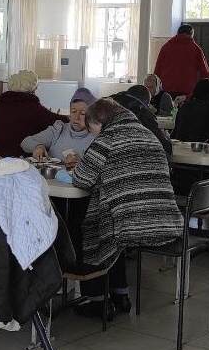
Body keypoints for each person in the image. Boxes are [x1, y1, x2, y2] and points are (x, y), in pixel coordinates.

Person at [71, 98, 182, 319]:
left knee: (91, 225)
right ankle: (120, 294)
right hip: (165, 220)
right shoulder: (147, 134)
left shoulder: (107, 139)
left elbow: (82, 179)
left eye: (91, 128)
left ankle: (98, 301)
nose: (92, 134)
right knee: (110, 220)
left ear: (99, 121)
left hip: (132, 223)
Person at [0, 69, 64, 158]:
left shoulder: (1, 105)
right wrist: (72, 116)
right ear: (32, 89)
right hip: (22, 160)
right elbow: (56, 120)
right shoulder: (31, 106)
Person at [21, 88, 95, 167]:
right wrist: (37, 146)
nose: (77, 117)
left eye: (83, 113)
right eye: (73, 111)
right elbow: (25, 142)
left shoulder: (96, 138)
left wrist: (79, 165)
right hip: (48, 174)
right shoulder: (59, 129)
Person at [109, 85, 172, 156]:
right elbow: (166, 147)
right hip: (128, 156)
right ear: (146, 102)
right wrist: (166, 137)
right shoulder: (142, 112)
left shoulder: (109, 103)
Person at [153, 24, 209, 97]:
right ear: (191, 34)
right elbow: (205, 73)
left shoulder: (166, 47)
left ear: (177, 33)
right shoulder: (195, 49)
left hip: (167, 89)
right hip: (188, 90)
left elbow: (158, 70)